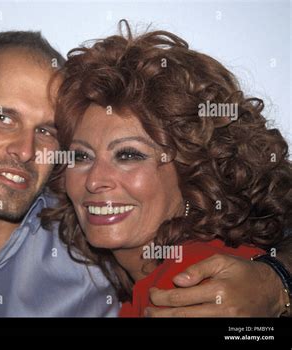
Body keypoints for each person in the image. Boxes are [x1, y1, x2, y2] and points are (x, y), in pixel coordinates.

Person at [0, 28, 290, 317]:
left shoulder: (101, 247)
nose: (25, 150)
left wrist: (278, 283)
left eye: (46, 131)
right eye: (3, 117)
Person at [41, 21, 292, 317]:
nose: (95, 180)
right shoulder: (151, 286)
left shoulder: (197, 290)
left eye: (129, 155)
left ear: (193, 172)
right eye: (81, 157)